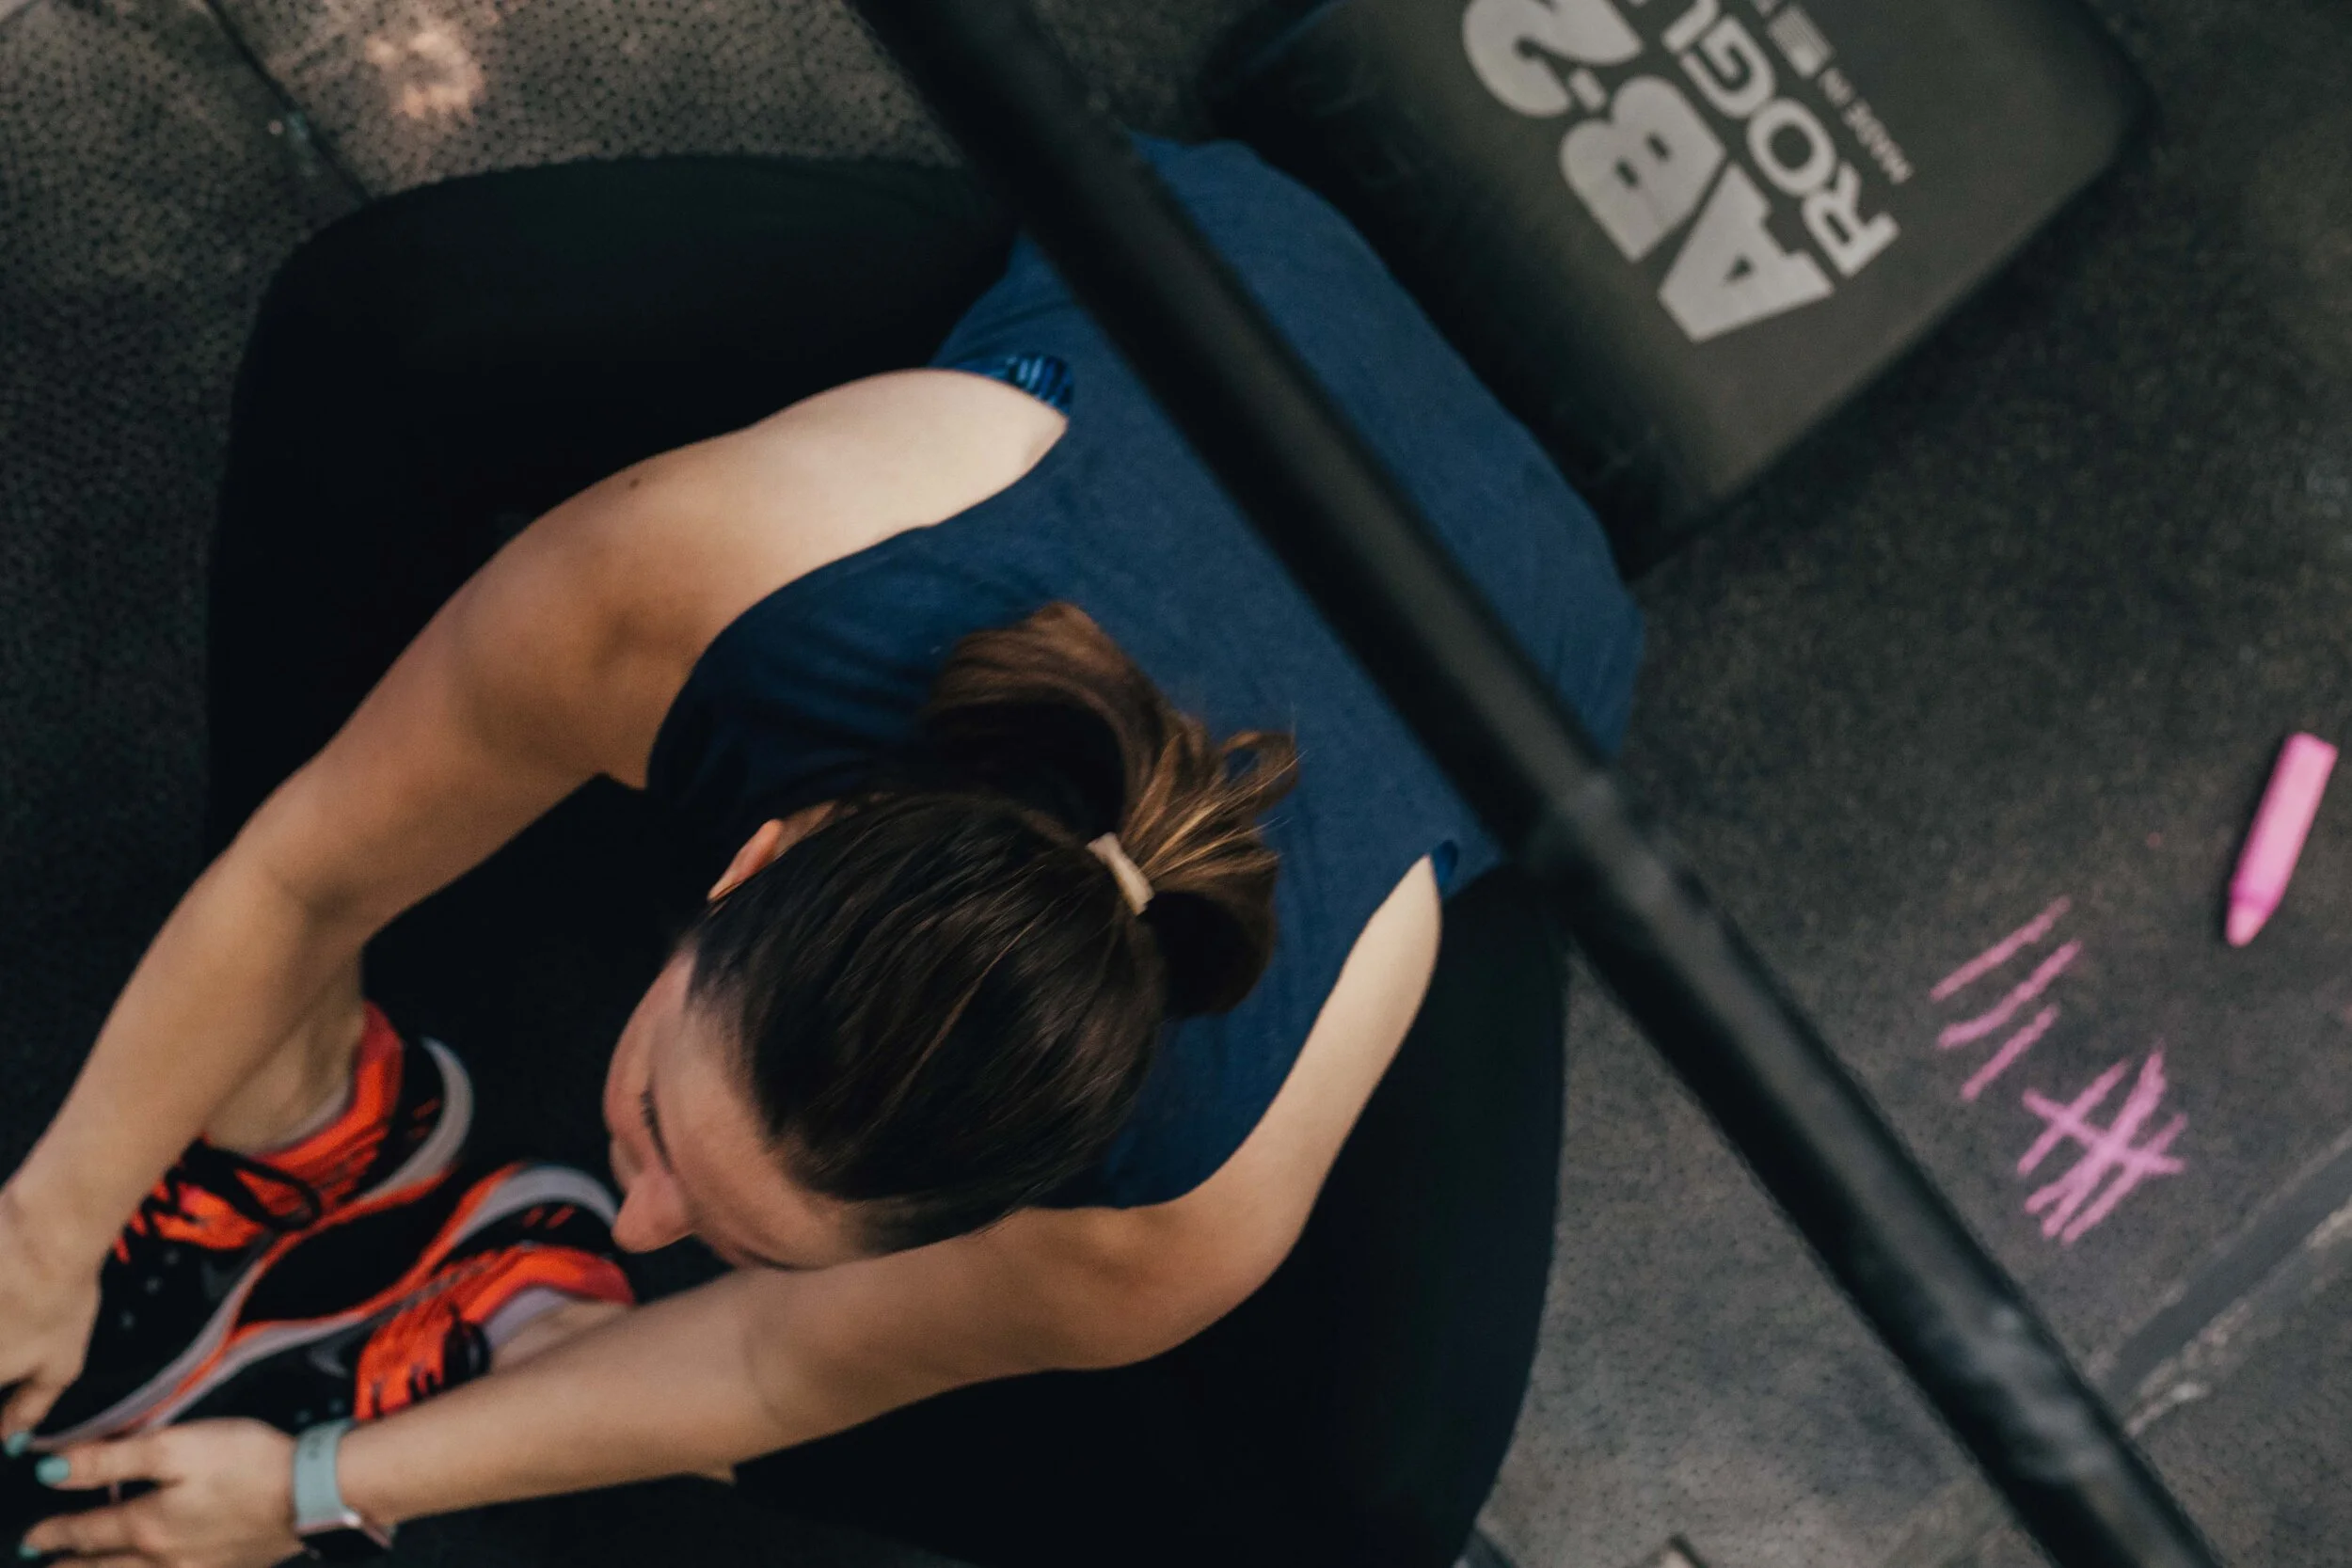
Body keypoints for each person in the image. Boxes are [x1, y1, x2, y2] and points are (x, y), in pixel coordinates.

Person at [0, 137, 1642, 1568]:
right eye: (645, 1126)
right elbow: (307, 869)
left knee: (1373, 1512)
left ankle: (553, 1355)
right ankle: (295, 1083)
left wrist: (306, 1483)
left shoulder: (1185, 1204)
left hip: (1506, 652)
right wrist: (47, 1229)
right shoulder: (706, 584)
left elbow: (788, 1370)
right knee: (381, 320)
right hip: (1224, 302)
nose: (633, 1222)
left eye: (731, 1239)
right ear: (745, 859)